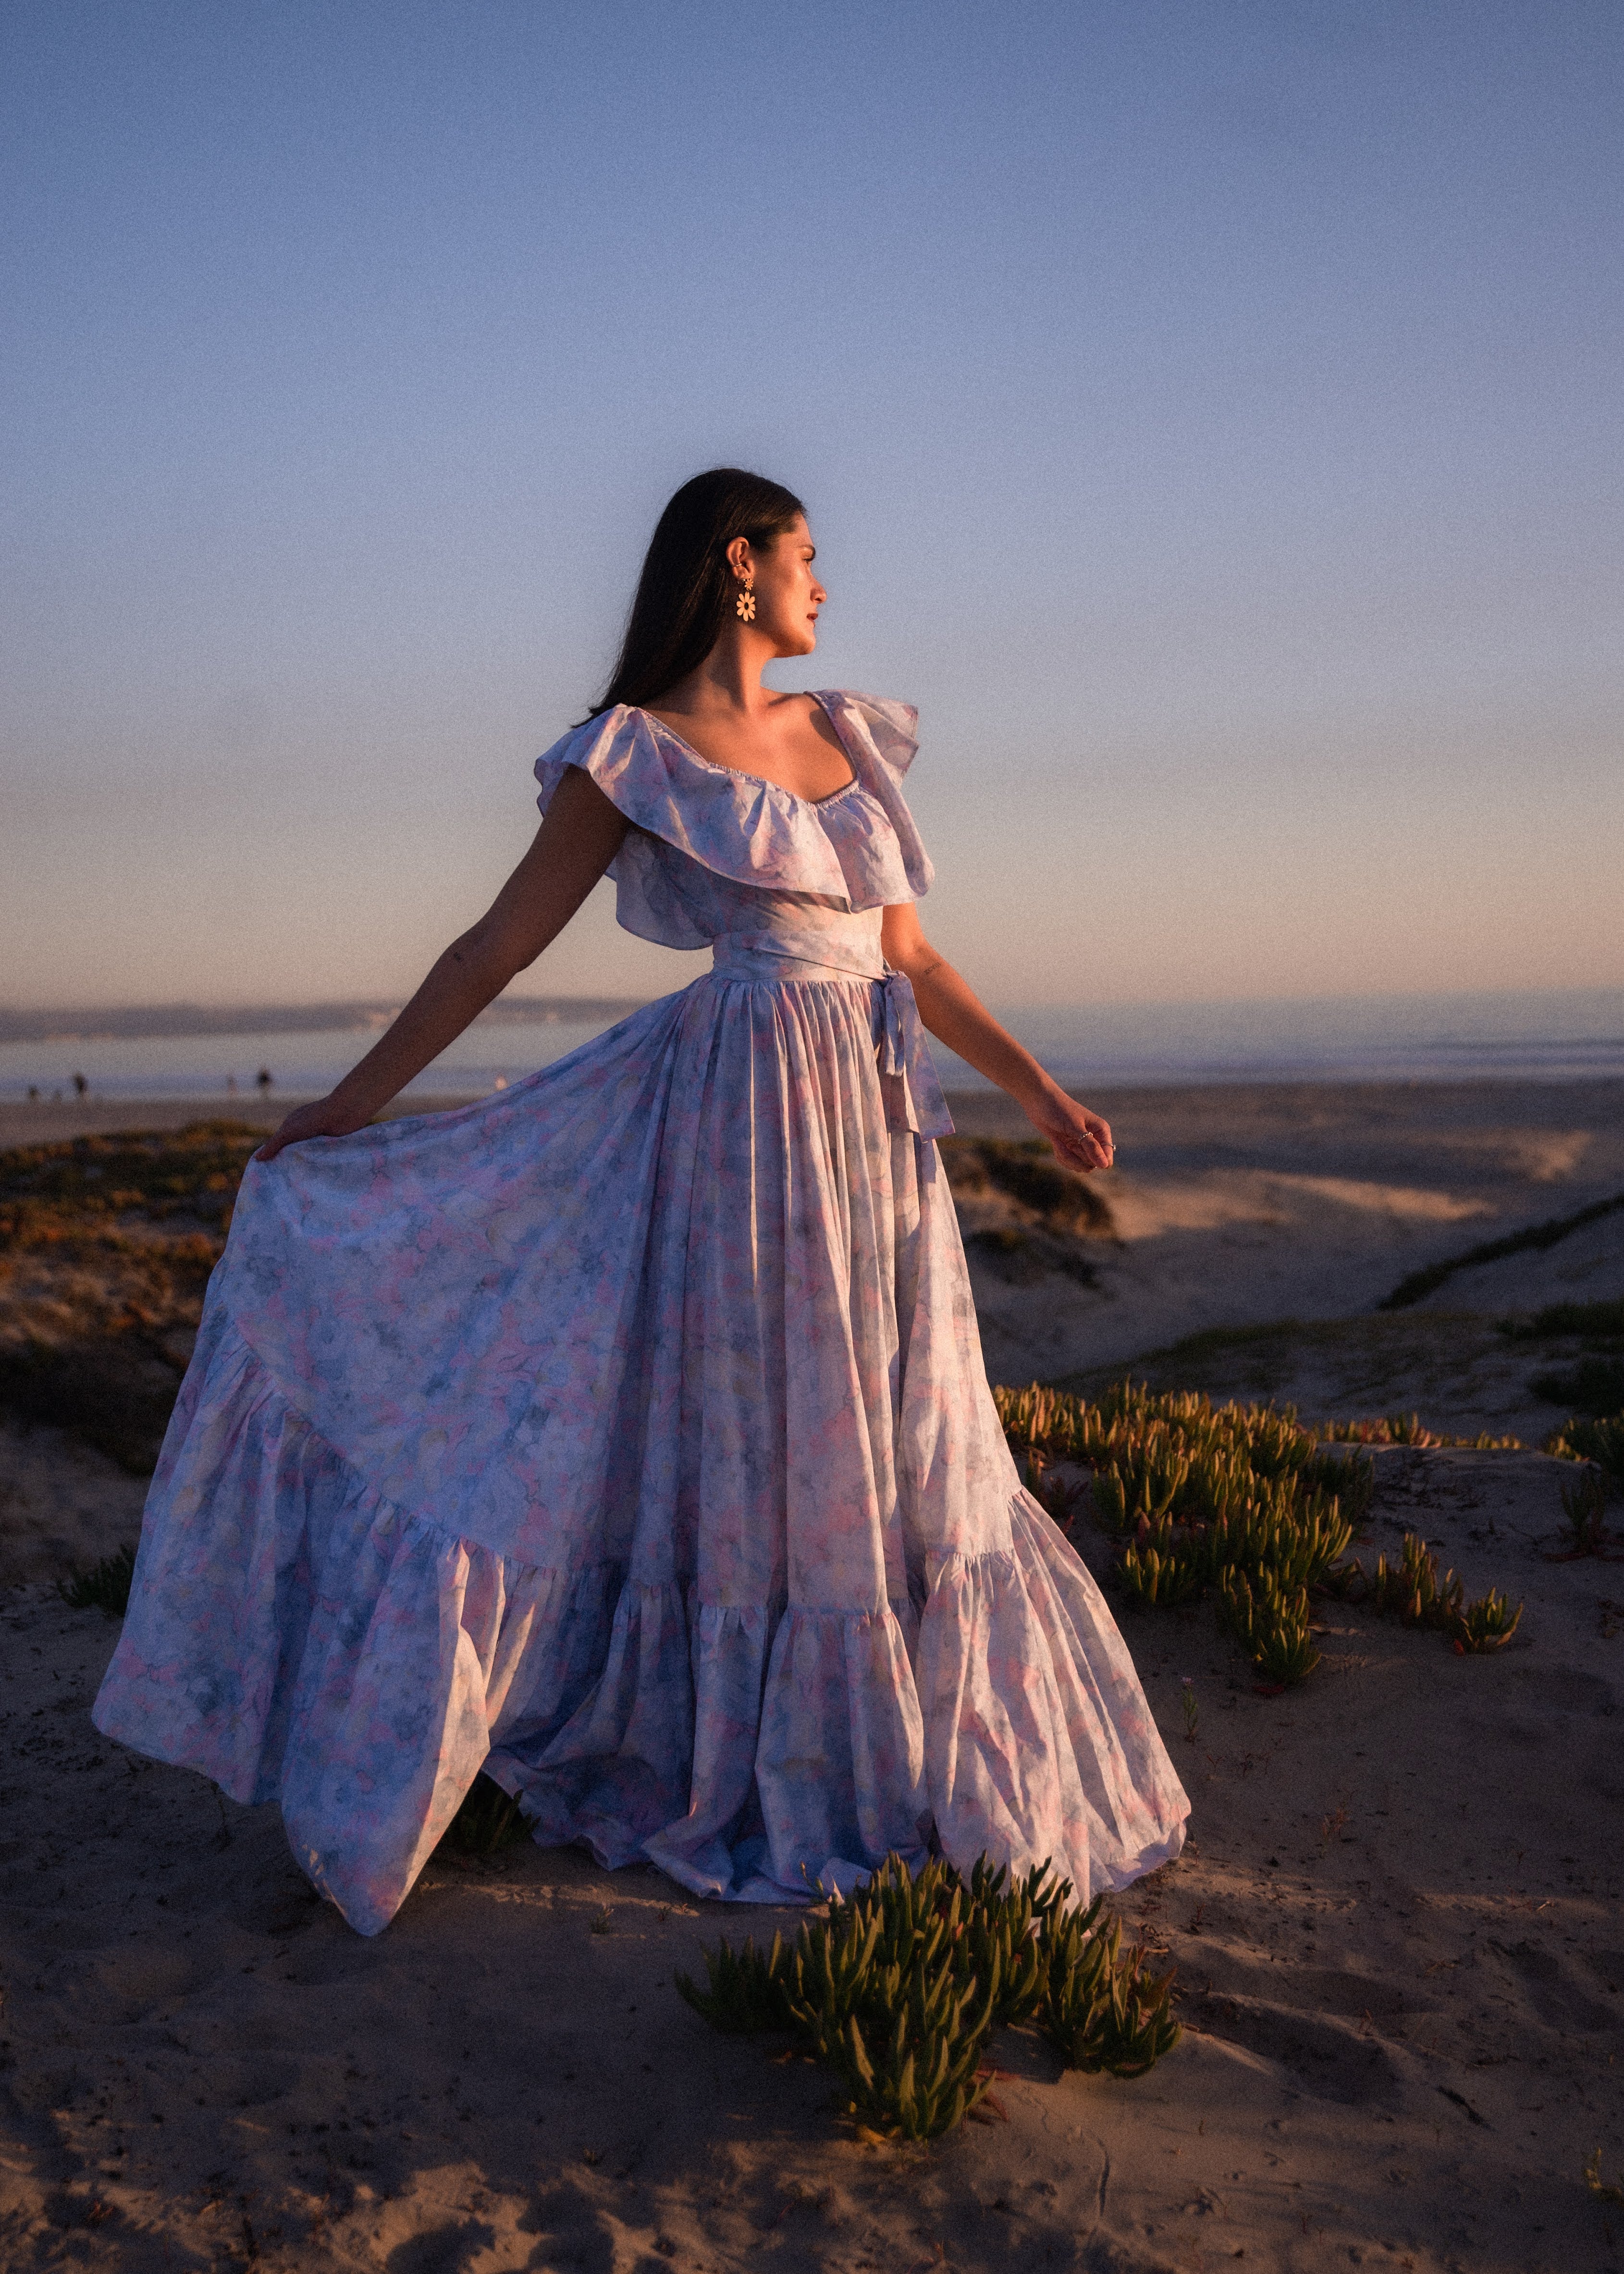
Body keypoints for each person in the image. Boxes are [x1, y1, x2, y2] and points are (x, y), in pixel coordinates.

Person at [95, 469, 1188, 1936]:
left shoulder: (847, 737)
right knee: (778, 1444)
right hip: (742, 1138)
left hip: (877, 1139)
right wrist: (352, 1105)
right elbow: (493, 948)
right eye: (808, 558)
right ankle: (766, 1748)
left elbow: (912, 962)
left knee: (912, 1425)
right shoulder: (636, 755)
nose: (824, 586)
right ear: (740, 566)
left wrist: (1040, 1093)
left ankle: (910, 1741)